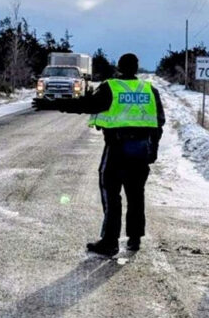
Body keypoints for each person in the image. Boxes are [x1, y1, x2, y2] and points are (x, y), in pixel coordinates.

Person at [32, 53, 165, 256]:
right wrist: (153, 148)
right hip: (140, 150)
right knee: (136, 194)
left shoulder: (111, 87)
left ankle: (110, 241)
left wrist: (53, 104)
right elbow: (158, 122)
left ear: (119, 68)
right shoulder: (150, 90)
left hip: (116, 149)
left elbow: (86, 105)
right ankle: (135, 238)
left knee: (111, 194)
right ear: (137, 68)